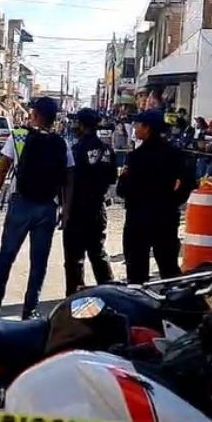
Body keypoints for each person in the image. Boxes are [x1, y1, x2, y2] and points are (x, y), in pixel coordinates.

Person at [0, 97, 75, 319]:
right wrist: (66, 210)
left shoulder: (18, 136)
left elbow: (2, 169)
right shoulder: (61, 143)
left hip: (21, 204)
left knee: (7, 255)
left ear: (35, 115)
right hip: (47, 207)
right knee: (39, 261)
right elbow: (69, 178)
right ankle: (30, 309)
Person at [116, 109, 185, 283]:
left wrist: (124, 180)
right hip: (166, 217)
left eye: (138, 125)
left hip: (138, 218)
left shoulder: (136, 157)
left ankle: (138, 305)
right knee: (168, 267)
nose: (135, 129)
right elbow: (188, 183)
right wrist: (172, 202)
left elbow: (123, 190)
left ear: (147, 128)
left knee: (137, 269)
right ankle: (174, 303)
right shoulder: (174, 154)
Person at [63, 109, 116, 294]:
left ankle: (74, 297)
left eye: (76, 122)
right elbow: (112, 178)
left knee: (74, 259)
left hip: (77, 208)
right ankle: (110, 293)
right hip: (98, 207)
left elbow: (68, 179)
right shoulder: (107, 149)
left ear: (82, 125)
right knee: (98, 253)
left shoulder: (76, 150)